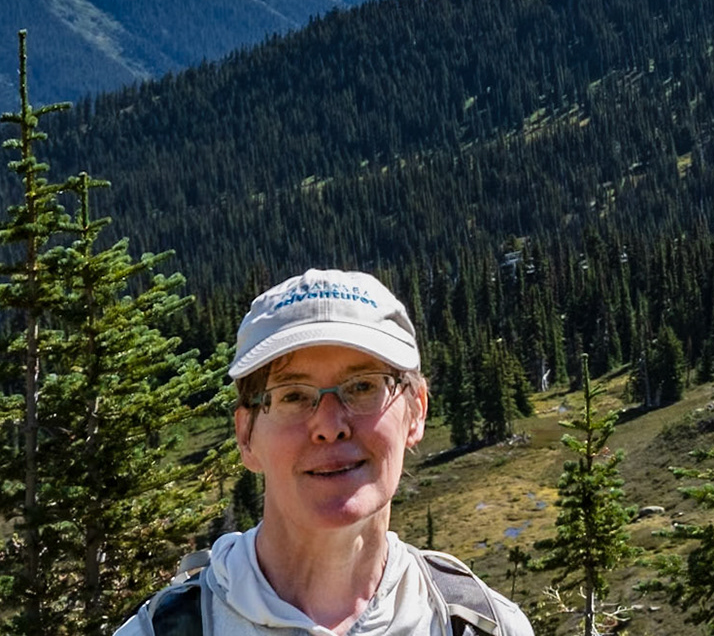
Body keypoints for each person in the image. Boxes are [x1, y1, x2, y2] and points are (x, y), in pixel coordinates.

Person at [119, 268, 535, 635]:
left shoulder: (479, 625)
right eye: (294, 396)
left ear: (416, 411)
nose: (330, 426)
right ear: (246, 435)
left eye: (362, 387)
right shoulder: (166, 630)